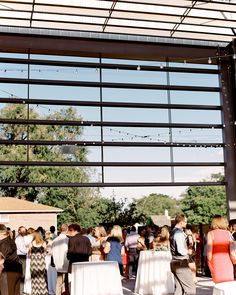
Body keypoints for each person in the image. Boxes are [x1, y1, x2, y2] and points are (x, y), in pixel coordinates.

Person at [170, 214, 196, 295]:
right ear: (181, 222)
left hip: (174, 262)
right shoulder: (178, 233)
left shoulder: (173, 231)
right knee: (190, 289)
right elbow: (181, 250)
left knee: (179, 289)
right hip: (181, 263)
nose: (186, 223)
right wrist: (188, 251)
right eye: (185, 222)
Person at [207, 215, 234, 283]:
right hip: (228, 263)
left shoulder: (211, 234)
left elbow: (209, 254)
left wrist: (209, 265)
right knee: (228, 286)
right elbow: (232, 250)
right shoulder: (228, 233)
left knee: (219, 286)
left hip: (216, 263)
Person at [0, 224, 22, 295]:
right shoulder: (11, 240)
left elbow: (2, 260)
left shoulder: (3, 244)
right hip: (17, 269)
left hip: (8, 272)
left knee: (6, 293)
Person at [52, 224, 69, 295]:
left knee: (58, 282)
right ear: (67, 230)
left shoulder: (55, 240)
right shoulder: (68, 240)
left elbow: (53, 252)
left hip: (57, 262)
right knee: (66, 282)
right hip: (66, 262)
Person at [29, 230, 48, 295]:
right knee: (42, 277)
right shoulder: (44, 243)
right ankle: (42, 291)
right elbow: (45, 253)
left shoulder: (31, 243)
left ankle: (35, 292)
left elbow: (29, 254)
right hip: (41, 262)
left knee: (34, 277)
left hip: (33, 262)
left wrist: (34, 255)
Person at [23, 227, 35, 295]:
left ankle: (27, 288)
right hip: (31, 255)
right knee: (31, 271)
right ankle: (31, 288)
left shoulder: (24, 238)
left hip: (27, 255)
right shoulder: (32, 238)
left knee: (27, 271)